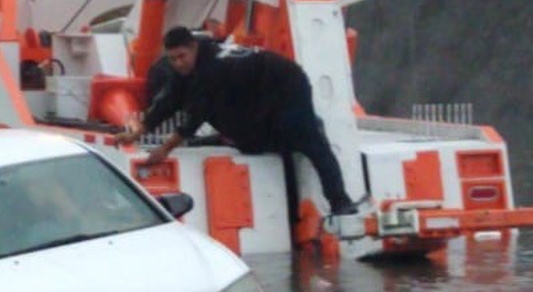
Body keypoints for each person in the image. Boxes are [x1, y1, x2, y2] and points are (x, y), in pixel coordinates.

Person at [116, 26, 358, 215]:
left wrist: (165, 149)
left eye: (182, 56)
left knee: (309, 141)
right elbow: (167, 102)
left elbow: (194, 118)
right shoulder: (186, 69)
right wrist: (137, 133)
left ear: (193, 48)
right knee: (248, 142)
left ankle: (340, 200)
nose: (178, 63)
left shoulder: (211, 68)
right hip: (249, 91)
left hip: (285, 84)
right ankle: (242, 136)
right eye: (172, 59)